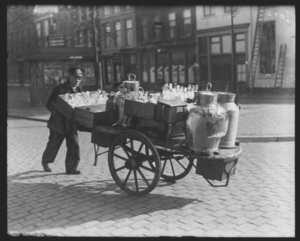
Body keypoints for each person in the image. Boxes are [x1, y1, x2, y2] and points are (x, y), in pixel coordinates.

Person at [41, 67, 85, 174]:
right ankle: (45, 161)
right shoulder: (59, 89)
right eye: (75, 78)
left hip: (71, 124)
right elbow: (49, 104)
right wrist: (59, 110)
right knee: (53, 145)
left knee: (74, 145)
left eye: (79, 78)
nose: (77, 80)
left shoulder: (80, 90)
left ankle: (71, 168)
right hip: (58, 123)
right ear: (69, 77)